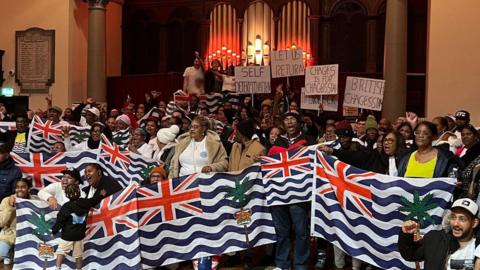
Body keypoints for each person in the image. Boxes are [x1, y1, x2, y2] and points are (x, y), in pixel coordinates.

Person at [269, 111, 313, 270]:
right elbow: (268, 163)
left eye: (292, 119)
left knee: (301, 232)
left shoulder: (308, 141)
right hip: (278, 194)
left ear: (299, 122)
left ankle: (300, 264)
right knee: (282, 232)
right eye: (286, 119)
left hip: (299, 195)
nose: (289, 122)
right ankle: (282, 264)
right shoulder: (277, 142)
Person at [399, 197, 480, 270]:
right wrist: (406, 234)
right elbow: (410, 255)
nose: (456, 224)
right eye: (453, 217)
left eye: (462, 219)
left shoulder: (477, 247)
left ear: (474, 223)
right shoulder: (434, 238)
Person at [52, 183, 106, 270]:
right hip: (79, 236)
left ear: (66, 195)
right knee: (79, 254)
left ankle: (57, 268)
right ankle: (79, 268)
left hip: (67, 235)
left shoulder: (66, 206)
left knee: (61, 251)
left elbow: (60, 220)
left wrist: (54, 231)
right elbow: (94, 200)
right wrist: (101, 195)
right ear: (79, 192)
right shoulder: (85, 202)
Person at [0, 178, 32, 265]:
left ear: (29, 189)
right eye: (17, 187)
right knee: (0, 254)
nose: (19, 189)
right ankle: (9, 253)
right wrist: (10, 207)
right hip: (9, 234)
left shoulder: (35, 201)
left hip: (27, 235)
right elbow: (1, 223)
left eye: (23, 187)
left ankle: (12, 253)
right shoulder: (6, 200)